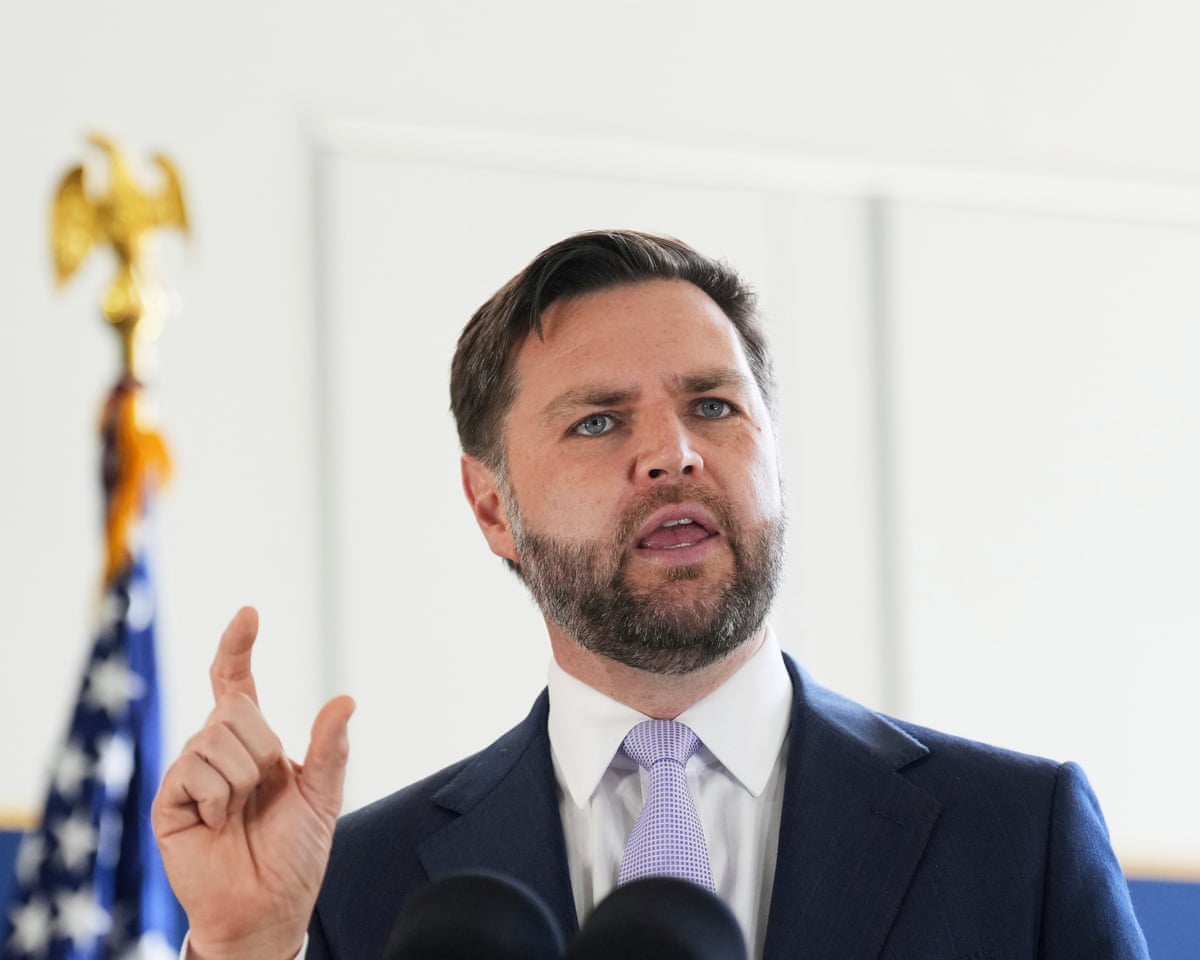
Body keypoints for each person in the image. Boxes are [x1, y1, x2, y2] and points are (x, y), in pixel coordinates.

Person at [152, 230, 1149, 960]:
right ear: (491, 506)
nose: (674, 454)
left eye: (713, 405)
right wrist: (246, 948)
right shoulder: (351, 882)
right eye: (598, 422)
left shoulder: (1017, 836)